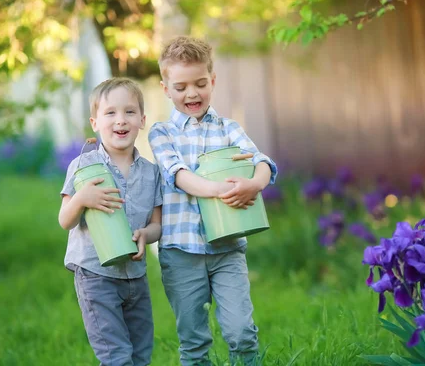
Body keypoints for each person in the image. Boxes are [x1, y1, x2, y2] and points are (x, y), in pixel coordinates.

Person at [148, 36, 278, 366]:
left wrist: (254, 184)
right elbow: (177, 175)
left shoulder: (229, 128)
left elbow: (261, 160)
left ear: (213, 81)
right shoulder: (162, 133)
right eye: (180, 87)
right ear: (165, 88)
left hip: (228, 248)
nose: (192, 93)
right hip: (181, 252)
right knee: (193, 341)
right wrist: (219, 189)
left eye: (200, 83)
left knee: (241, 333)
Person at [58, 77, 162, 366]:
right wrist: (81, 199)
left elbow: (157, 224)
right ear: (95, 122)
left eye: (129, 112)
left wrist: (145, 234)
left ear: (142, 120)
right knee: (116, 356)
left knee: (141, 353)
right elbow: (65, 220)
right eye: (110, 113)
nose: (121, 120)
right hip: (95, 276)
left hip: (135, 277)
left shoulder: (151, 173)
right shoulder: (83, 166)